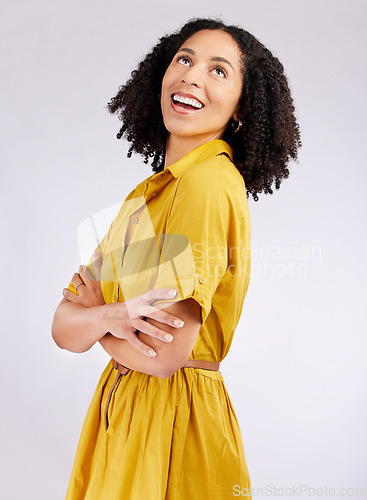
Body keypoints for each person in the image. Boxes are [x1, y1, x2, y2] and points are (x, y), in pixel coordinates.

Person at [52, 17, 301, 499]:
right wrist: (113, 316)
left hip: (172, 425)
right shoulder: (147, 196)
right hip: (126, 415)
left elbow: (164, 354)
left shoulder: (207, 185)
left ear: (241, 111)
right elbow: (63, 328)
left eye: (218, 70)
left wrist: (96, 320)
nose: (191, 75)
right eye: (184, 59)